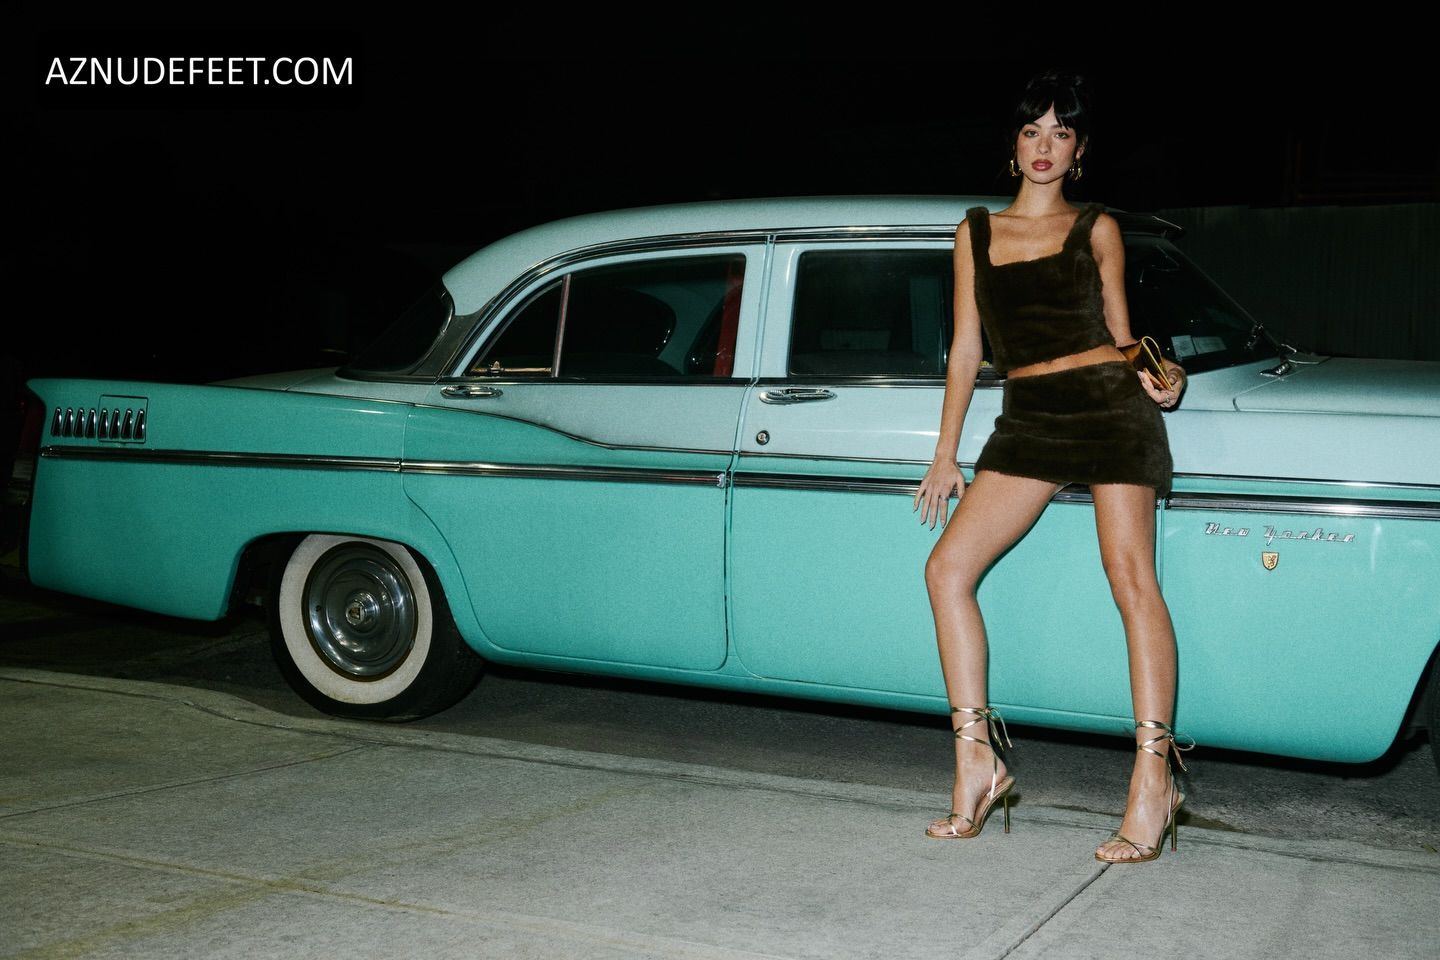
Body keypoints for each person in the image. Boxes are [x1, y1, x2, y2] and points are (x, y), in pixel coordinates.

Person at [912, 70, 1192, 864]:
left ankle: (1154, 783)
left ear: (1079, 150)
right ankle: (976, 763)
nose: (1044, 146)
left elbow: (1124, 337)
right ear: (1012, 145)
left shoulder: (1097, 227)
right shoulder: (975, 231)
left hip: (1108, 406)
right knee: (947, 570)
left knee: (1130, 579)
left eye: (1060, 132)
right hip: (1029, 416)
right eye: (1032, 131)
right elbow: (966, 349)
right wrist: (946, 453)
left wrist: (1165, 377)